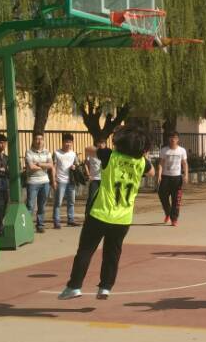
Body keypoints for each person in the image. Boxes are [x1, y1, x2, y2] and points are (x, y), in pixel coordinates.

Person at [59, 127, 155, 300]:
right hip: (123, 219)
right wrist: (141, 155)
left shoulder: (110, 156)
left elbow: (88, 149)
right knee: (112, 254)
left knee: (85, 251)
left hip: (100, 214)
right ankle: (105, 287)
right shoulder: (142, 163)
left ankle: (74, 286)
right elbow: (152, 172)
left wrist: (104, 149)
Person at [157, 131, 188, 226]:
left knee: (176, 200)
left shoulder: (182, 150)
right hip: (165, 177)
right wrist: (159, 175)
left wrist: (186, 175)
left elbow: (184, 163)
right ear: (168, 139)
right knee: (162, 196)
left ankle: (174, 219)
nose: (172, 139)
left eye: (174, 138)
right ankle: (168, 212)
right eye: (171, 137)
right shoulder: (164, 150)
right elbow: (161, 163)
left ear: (177, 139)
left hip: (177, 178)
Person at [25, 133, 53, 234]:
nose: (39, 141)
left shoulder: (47, 152)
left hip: (45, 182)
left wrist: (39, 164)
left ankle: (40, 225)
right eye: (37, 139)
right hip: (32, 182)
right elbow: (31, 167)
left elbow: (51, 165)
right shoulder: (29, 152)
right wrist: (44, 165)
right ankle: (27, 226)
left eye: (41, 139)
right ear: (33, 141)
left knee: (42, 205)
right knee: (30, 206)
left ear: (43, 141)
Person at [52, 132, 78, 229]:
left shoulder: (73, 154)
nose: (68, 144)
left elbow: (77, 165)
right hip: (60, 181)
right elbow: (53, 166)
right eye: (66, 142)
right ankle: (56, 221)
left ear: (72, 143)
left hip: (71, 181)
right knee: (58, 202)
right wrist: (54, 180)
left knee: (71, 202)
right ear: (62, 142)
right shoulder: (57, 153)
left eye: (70, 142)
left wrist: (74, 167)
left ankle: (70, 219)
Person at [84, 140, 105, 209]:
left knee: (102, 198)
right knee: (91, 197)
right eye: (99, 143)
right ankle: (87, 213)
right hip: (94, 179)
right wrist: (88, 174)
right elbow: (86, 164)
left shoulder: (106, 154)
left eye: (103, 143)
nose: (101, 145)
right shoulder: (91, 153)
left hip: (104, 179)